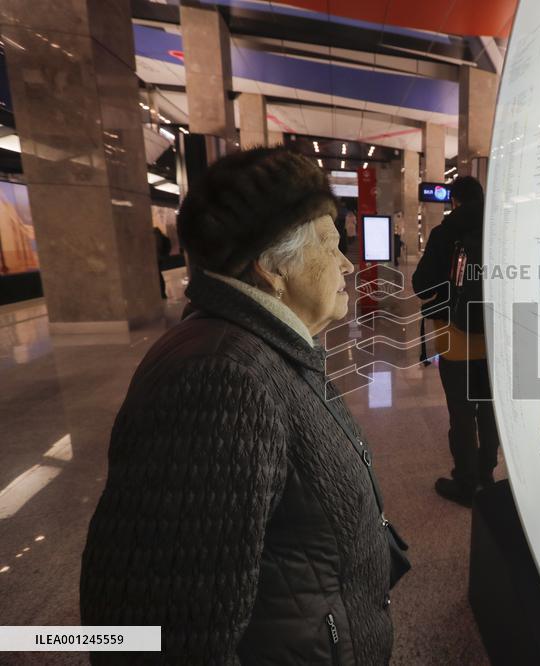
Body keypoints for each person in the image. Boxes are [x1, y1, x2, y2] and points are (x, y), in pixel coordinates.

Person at [79, 148, 408, 664]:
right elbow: (166, 631)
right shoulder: (220, 382)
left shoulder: (266, 346)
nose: (346, 263)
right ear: (272, 266)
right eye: (329, 244)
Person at [412, 176, 500, 507]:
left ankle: (465, 482)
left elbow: (421, 285)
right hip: (495, 343)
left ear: (455, 201)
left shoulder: (446, 232)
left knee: (462, 414)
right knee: (489, 411)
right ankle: (487, 475)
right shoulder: (500, 230)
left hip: (456, 340)